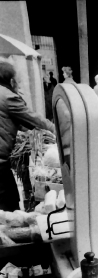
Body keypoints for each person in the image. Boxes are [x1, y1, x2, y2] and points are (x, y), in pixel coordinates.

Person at [0, 60, 55, 211]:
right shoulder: (7, 96)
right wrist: (56, 130)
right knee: (9, 206)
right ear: (11, 80)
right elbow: (34, 119)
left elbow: (19, 122)